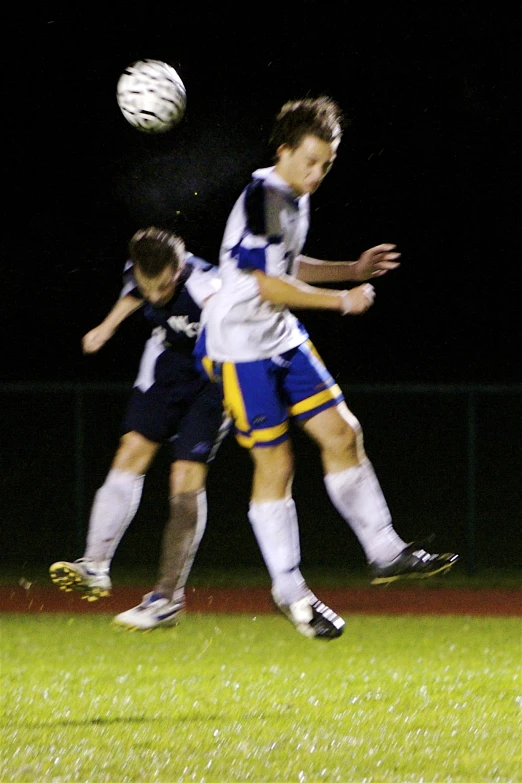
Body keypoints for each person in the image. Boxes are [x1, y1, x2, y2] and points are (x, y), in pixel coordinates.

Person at [195, 96, 458, 641]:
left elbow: (286, 267)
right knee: (277, 464)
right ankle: (290, 591)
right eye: (310, 160)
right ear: (283, 151)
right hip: (239, 348)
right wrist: (342, 302)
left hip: (279, 334)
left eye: (327, 164)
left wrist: (350, 270)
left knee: (343, 434)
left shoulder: (292, 195)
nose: (317, 173)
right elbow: (267, 285)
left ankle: (385, 551)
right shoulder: (266, 197)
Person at [50, 227, 229, 630]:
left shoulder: (208, 288)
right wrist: (108, 326)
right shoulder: (142, 271)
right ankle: (95, 564)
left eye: (164, 286)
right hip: (166, 367)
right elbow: (135, 290)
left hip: (214, 381)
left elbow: (236, 330)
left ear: (179, 269)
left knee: (184, 479)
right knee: (130, 449)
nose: (156, 295)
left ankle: (167, 598)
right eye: (150, 287)